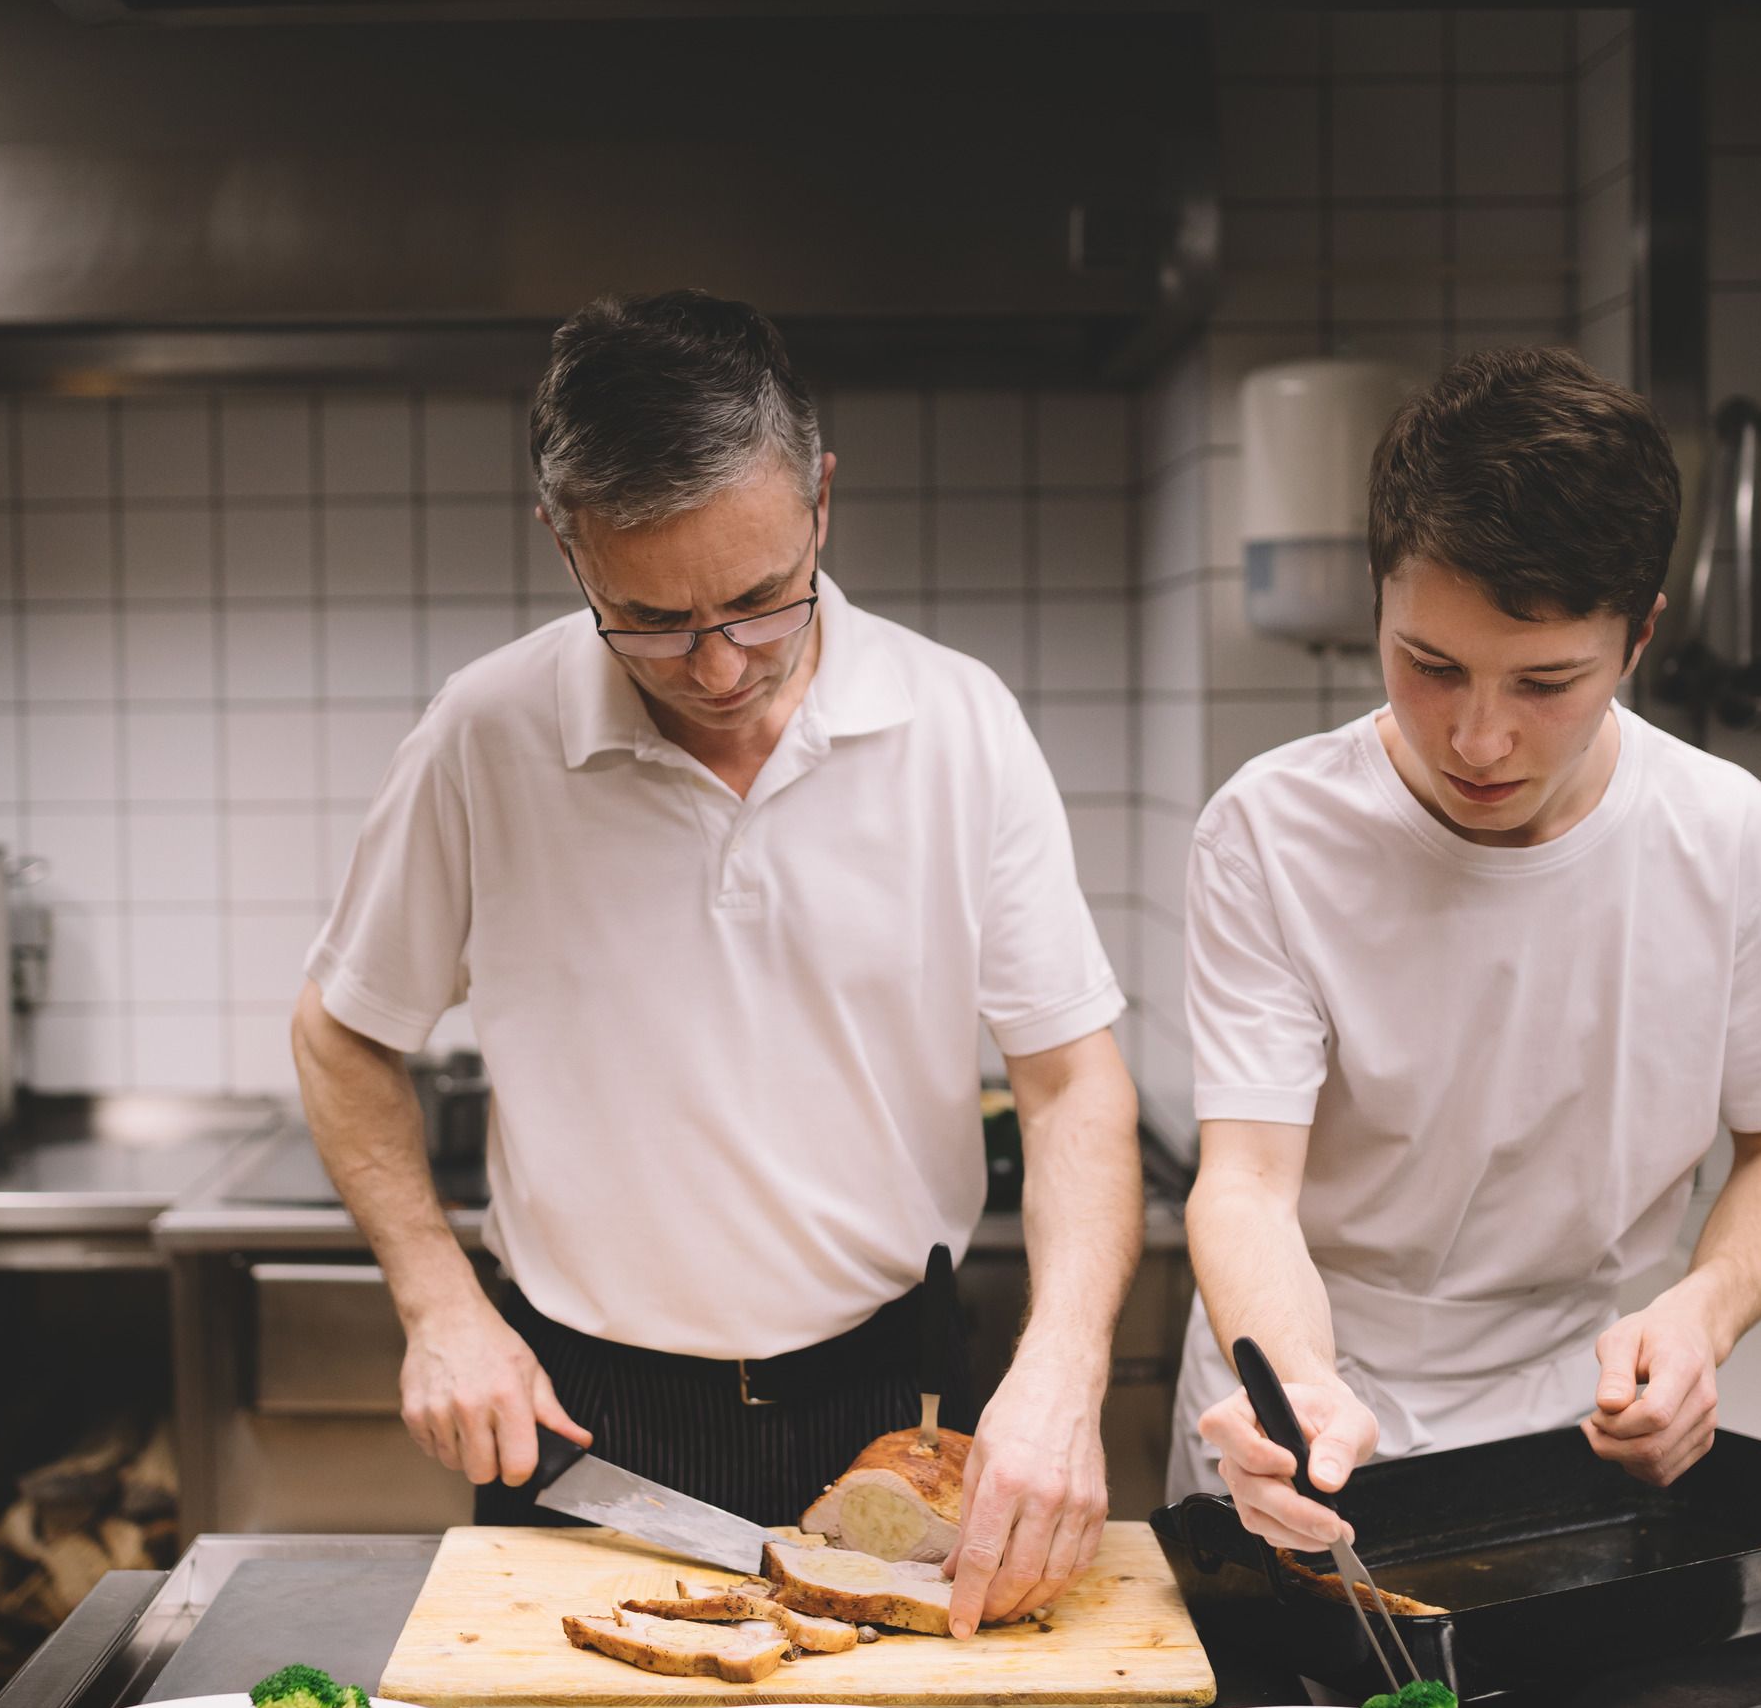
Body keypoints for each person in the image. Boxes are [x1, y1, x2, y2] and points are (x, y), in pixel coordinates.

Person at [294, 290, 1144, 1632]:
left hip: (895, 1406)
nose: (719, 665)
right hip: (587, 1424)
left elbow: (1070, 1079)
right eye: (650, 618)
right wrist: (439, 1304)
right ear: (566, 542)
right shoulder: (486, 734)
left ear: (821, 499)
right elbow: (341, 1031)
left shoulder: (957, 722)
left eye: (758, 600)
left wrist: (1064, 1366)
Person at [1171, 347, 1761, 1555]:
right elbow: (1247, 1180)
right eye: (1431, 664)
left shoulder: (1728, 837)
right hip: (1305, 1399)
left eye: (1546, 682)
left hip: (1580, 1416)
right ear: (1379, 602)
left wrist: (1703, 1315)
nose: (1479, 736)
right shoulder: (1271, 829)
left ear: (1639, 636)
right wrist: (1291, 1384)